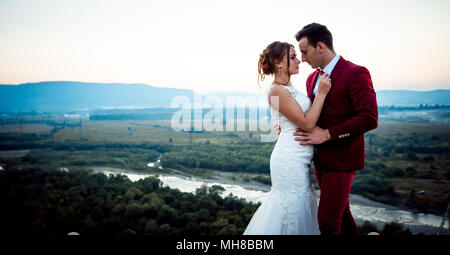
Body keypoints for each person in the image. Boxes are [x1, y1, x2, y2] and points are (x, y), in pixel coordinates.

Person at [293, 23, 378, 235]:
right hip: (320, 160)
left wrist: (328, 134)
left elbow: (369, 118)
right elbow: (312, 115)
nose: (303, 59)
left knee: (327, 222)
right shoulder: (312, 78)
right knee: (343, 216)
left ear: (320, 46)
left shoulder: (355, 73)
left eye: (305, 52)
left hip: (343, 160)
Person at [243, 41, 331, 235]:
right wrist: (322, 94)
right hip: (289, 160)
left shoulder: (289, 89)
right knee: (291, 208)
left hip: (300, 158)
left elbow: (287, 119)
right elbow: (307, 124)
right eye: (292, 57)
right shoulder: (276, 90)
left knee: (302, 204)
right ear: (278, 63)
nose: (299, 60)